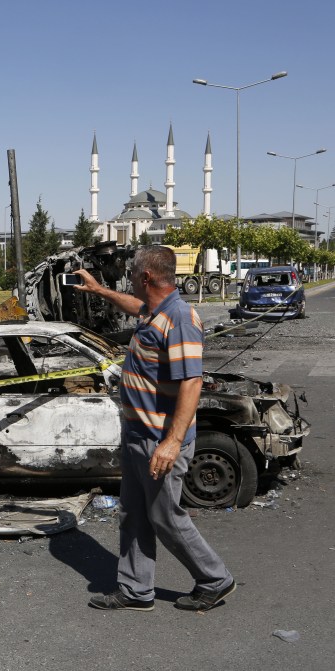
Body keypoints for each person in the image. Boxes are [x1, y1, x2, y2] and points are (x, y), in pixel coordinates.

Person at [74, 246, 236, 612]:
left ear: (145, 277)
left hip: (160, 441)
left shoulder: (180, 317)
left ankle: (215, 579)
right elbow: (137, 308)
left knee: (165, 517)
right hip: (137, 434)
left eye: (132, 275)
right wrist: (99, 290)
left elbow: (191, 383)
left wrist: (172, 442)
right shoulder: (155, 312)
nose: (129, 281)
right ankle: (135, 589)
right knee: (132, 513)